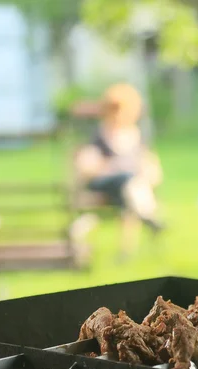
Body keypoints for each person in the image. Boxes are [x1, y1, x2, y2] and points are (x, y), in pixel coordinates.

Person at [74, 83, 164, 259]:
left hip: (126, 191)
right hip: (102, 184)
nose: (117, 114)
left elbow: (152, 168)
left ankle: (126, 252)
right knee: (127, 180)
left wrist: (145, 173)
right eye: (114, 109)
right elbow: (86, 165)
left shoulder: (136, 136)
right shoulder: (98, 136)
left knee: (129, 186)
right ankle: (148, 216)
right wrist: (109, 166)